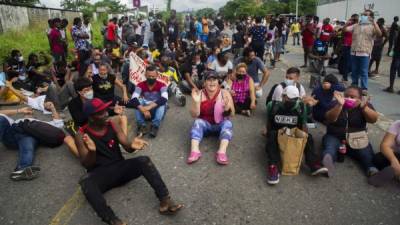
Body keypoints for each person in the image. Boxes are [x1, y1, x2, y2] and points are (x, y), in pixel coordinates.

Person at [76, 98, 182, 225]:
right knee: (86, 182)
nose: (105, 114)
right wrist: (92, 151)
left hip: (120, 168)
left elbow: (126, 145)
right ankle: (113, 221)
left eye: (105, 110)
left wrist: (132, 145)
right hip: (101, 175)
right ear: (91, 117)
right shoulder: (81, 135)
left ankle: (165, 201)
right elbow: (87, 164)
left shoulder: (112, 124)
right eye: (100, 112)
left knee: (144, 161)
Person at [264, 86, 327, 184]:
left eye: (294, 99)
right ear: (283, 96)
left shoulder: (301, 107)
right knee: (271, 135)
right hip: (278, 134)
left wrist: (302, 139)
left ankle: (313, 164)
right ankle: (273, 167)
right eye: (288, 98)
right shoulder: (272, 105)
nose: (290, 100)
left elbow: (303, 125)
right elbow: (269, 124)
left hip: (293, 133)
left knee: (308, 137)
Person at [322, 86, 379, 177]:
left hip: (357, 138)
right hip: (335, 136)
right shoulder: (335, 103)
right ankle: (327, 165)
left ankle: (371, 170)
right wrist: (339, 106)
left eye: (353, 97)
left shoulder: (365, 105)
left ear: (360, 99)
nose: (349, 99)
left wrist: (364, 108)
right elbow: (329, 118)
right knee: (330, 148)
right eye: (346, 96)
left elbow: (373, 119)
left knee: (365, 153)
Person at [187, 71, 235, 165]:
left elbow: (232, 114)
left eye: (214, 80)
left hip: (220, 124)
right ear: (204, 82)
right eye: (209, 80)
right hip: (206, 124)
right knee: (197, 122)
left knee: (228, 124)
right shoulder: (199, 94)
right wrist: (196, 102)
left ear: (218, 82)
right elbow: (194, 115)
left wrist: (227, 108)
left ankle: (221, 152)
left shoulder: (224, 93)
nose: (212, 82)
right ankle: (194, 151)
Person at [343, 9, 382, 92]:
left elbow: (379, 34)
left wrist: (374, 22)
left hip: (365, 52)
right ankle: (354, 85)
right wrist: (347, 23)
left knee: (363, 71)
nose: (364, 16)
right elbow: (345, 30)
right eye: (363, 14)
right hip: (354, 51)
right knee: (354, 70)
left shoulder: (372, 27)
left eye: (366, 15)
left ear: (371, 17)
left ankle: (364, 88)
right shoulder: (356, 25)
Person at [131, 65, 168, 138]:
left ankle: (155, 126)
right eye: (149, 76)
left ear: (157, 75)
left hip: (156, 109)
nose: (151, 78)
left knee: (163, 104)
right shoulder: (140, 85)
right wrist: (143, 109)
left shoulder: (162, 85)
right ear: (145, 75)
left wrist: (149, 107)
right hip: (145, 111)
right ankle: (141, 125)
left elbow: (164, 98)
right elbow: (133, 98)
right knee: (138, 101)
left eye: (153, 76)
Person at [339, 14, 359, 83]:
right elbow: (342, 33)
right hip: (347, 45)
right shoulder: (349, 25)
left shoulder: (358, 26)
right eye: (353, 19)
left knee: (353, 62)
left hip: (355, 46)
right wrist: (347, 23)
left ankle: (351, 78)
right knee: (346, 62)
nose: (354, 21)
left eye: (355, 19)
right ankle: (345, 77)